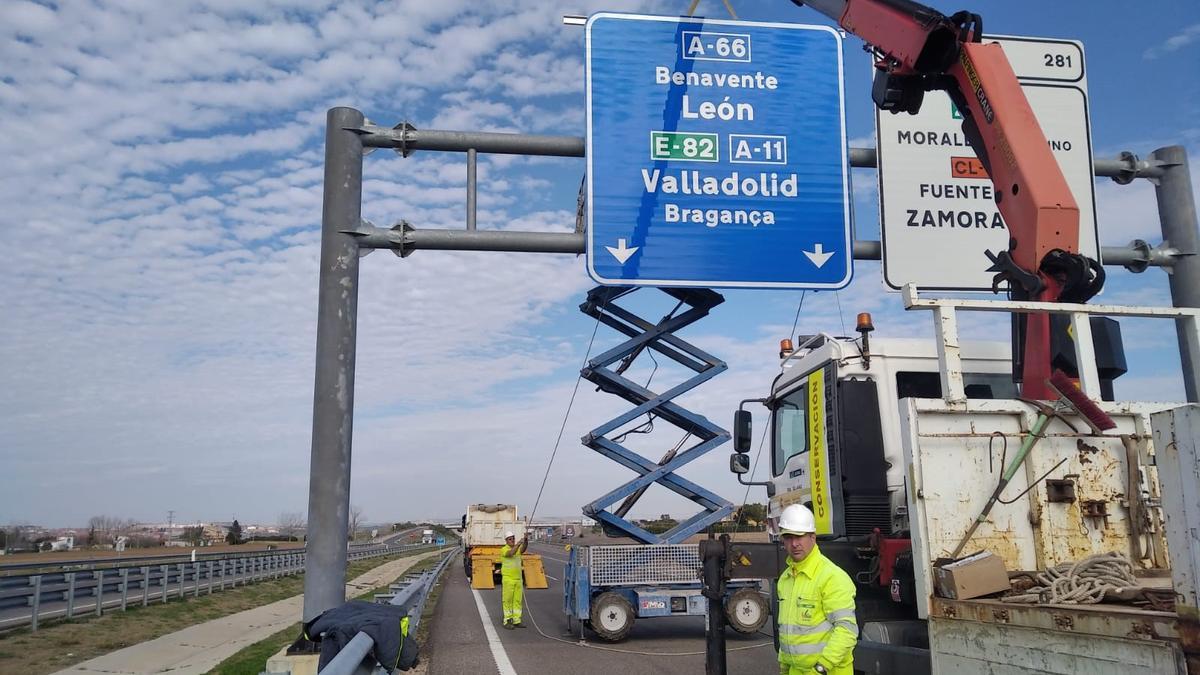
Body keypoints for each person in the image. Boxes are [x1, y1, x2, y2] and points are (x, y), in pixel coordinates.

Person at [775, 504, 857, 675]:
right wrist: (784, 667)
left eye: (800, 536)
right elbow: (786, 630)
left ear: (813, 537)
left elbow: (847, 631)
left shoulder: (832, 577)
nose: (795, 543)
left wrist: (821, 668)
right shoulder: (785, 579)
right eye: (789, 537)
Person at [499, 530, 528, 629]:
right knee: (507, 600)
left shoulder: (518, 549)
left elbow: (523, 549)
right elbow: (511, 553)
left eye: (513, 538)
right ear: (506, 540)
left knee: (517, 601)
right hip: (508, 580)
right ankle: (507, 620)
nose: (512, 540)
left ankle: (517, 620)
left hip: (518, 580)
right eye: (510, 539)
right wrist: (518, 544)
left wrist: (525, 540)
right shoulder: (504, 549)